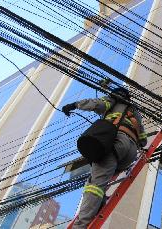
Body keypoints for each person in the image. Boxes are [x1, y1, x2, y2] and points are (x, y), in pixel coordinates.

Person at [62, 87, 147, 229]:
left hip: (116, 143)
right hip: (130, 153)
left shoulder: (113, 101)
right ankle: (99, 207)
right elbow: (143, 140)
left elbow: (97, 104)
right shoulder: (135, 113)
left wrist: (75, 105)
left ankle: (80, 226)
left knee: (94, 186)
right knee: (101, 181)